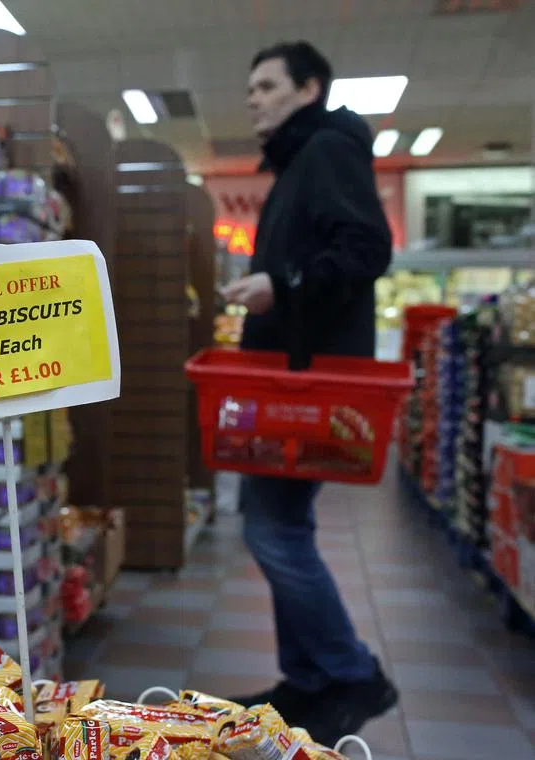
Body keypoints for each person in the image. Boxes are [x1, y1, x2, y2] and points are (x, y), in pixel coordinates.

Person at [219, 40, 398, 742]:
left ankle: (352, 673)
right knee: (280, 524)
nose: (254, 98)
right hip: (291, 376)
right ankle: (310, 680)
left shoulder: (326, 150)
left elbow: (366, 248)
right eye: (251, 87)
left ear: (309, 87)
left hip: (309, 383)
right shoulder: (302, 159)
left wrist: (279, 285)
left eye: (267, 85)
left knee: (273, 527)